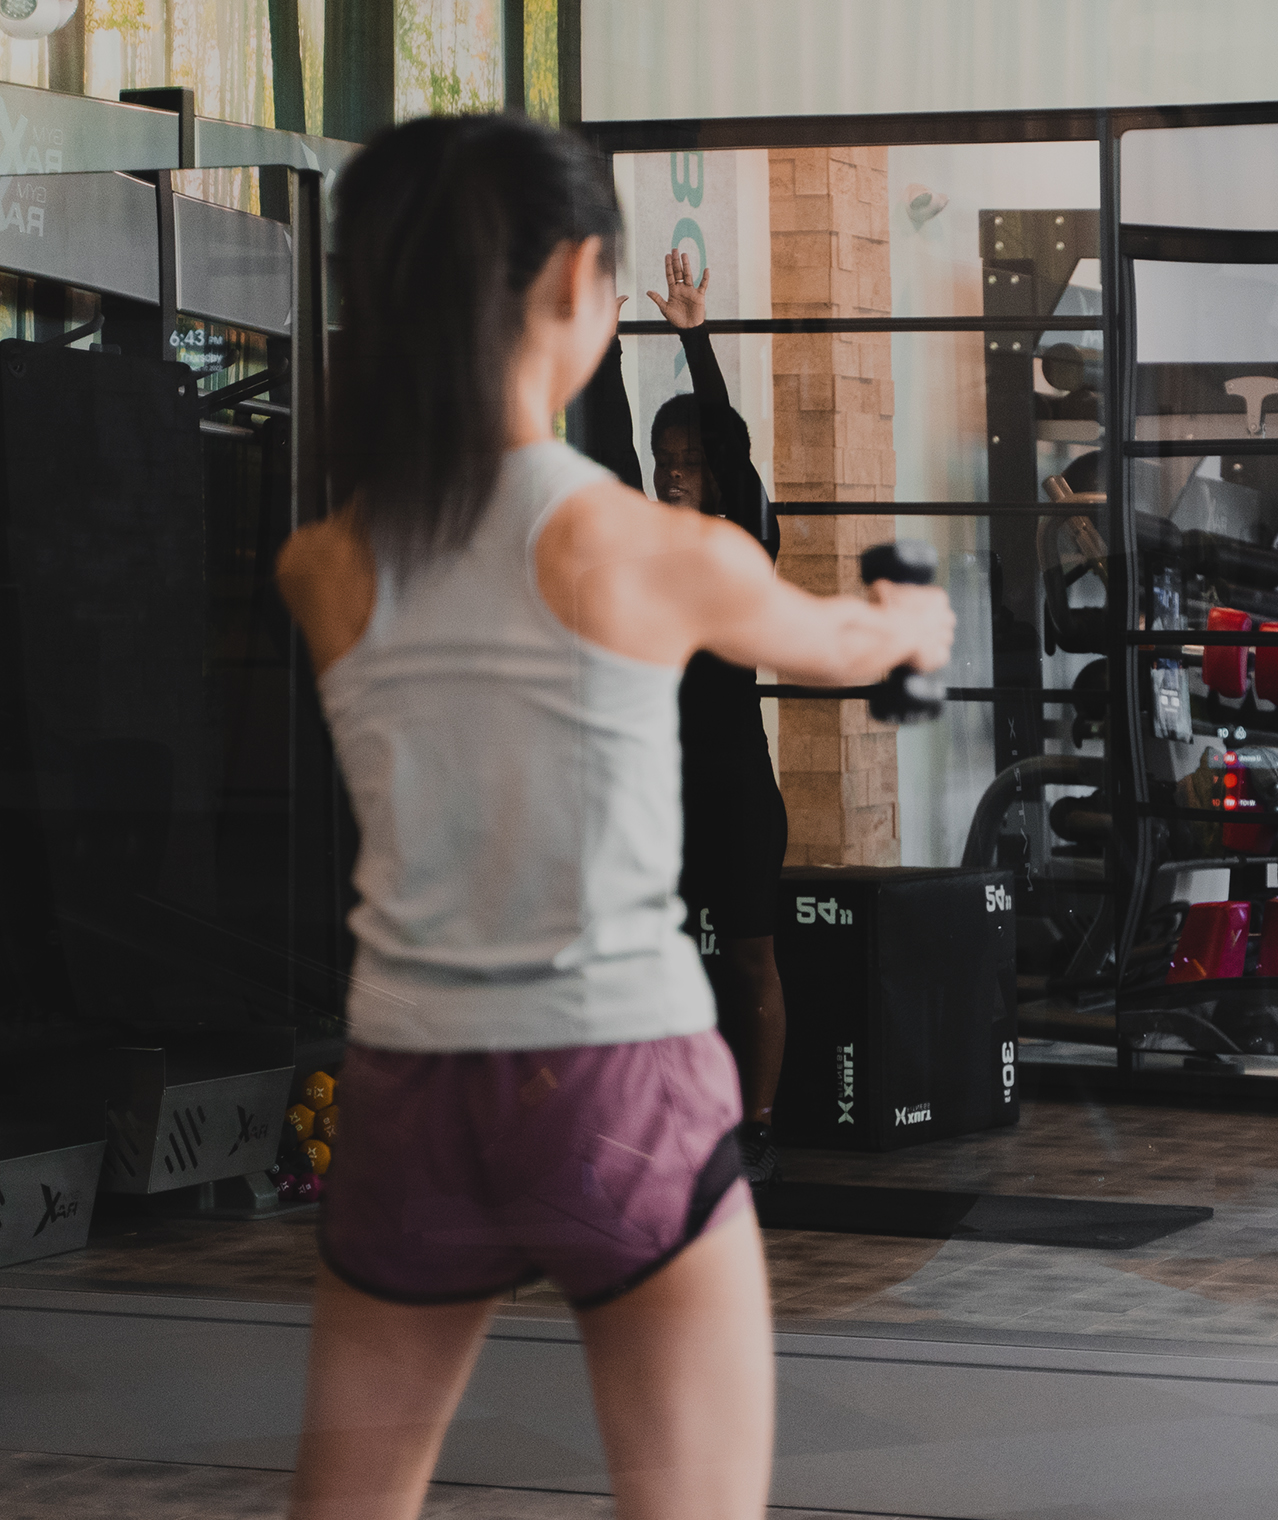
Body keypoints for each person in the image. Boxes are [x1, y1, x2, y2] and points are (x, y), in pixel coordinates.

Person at [274, 116, 953, 1519]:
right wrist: (913, 617)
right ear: (581, 282)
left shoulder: (324, 562)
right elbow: (840, 642)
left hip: (408, 1077)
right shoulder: (649, 547)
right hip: (615, 1081)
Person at [583, 248, 791, 1188]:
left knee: (749, 964)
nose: (673, 476)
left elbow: (736, 452)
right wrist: (602, 352)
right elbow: (605, 456)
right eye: (667, 464)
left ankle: (755, 1132)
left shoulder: (742, 539)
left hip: (734, 783)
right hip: (655, 788)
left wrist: (694, 340)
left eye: (688, 463)